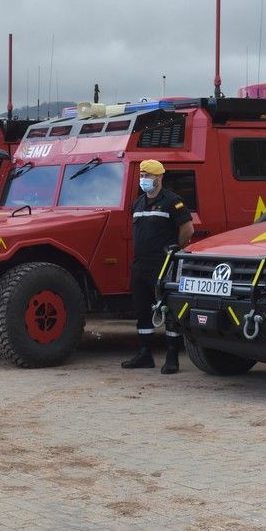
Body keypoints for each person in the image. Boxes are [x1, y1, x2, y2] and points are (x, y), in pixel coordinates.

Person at [122, 159, 194, 374]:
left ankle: (172, 358)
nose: (144, 179)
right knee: (142, 310)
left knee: (168, 310)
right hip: (140, 265)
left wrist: (173, 250)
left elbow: (188, 229)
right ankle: (145, 354)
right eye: (142, 175)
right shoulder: (138, 203)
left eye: (148, 176)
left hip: (163, 266)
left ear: (160, 177)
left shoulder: (173, 202)